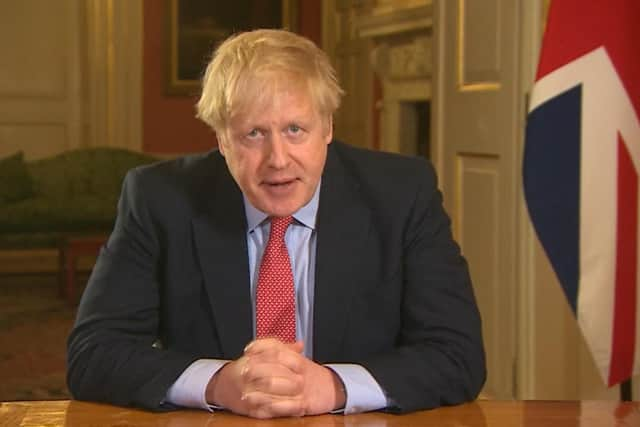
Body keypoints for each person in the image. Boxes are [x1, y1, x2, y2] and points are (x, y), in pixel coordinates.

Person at [67, 29, 485, 419]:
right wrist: (218, 382)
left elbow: (457, 355)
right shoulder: (159, 199)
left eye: (295, 129)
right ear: (221, 139)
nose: (278, 160)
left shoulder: (401, 195)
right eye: (253, 134)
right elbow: (93, 353)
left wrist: (333, 387)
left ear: (327, 128)